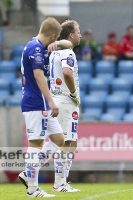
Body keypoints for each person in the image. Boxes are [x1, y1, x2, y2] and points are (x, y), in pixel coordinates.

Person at [18, 17, 72, 198]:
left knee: (59, 140)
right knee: (36, 144)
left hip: (40, 103)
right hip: (36, 103)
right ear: (53, 35)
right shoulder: (36, 49)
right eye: (55, 39)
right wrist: (51, 101)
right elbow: (39, 76)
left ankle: (28, 173)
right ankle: (32, 189)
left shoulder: (36, 45)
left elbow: (68, 44)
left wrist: (56, 43)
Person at [49, 19, 81, 192]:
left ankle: (63, 180)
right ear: (71, 35)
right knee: (65, 142)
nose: (80, 35)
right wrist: (74, 93)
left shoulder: (55, 52)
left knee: (72, 142)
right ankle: (59, 183)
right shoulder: (67, 52)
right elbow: (67, 72)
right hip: (65, 100)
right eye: (78, 31)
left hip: (59, 99)